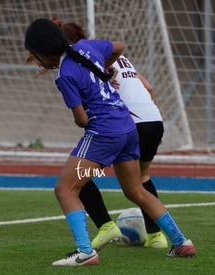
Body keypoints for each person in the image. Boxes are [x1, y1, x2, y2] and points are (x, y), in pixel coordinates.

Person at [24, 18, 195, 267]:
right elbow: (119, 46)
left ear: (43, 53)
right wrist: (107, 70)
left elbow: (81, 120)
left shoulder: (64, 75)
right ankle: (181, 243)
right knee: (136, 190)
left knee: (65, 189)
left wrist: (89, 110)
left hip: (105, 132)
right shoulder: (89, 48)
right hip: (127, 128)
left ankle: (86, 252)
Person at [55, 20, 168, 250]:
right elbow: (149, 88)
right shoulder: (118, 58)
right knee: (142, 179)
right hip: (153, 120)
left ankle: (106, 226)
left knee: (79, 178)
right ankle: (157, 237)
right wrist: (152, 123)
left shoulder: (83, 63)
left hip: (124, 125)